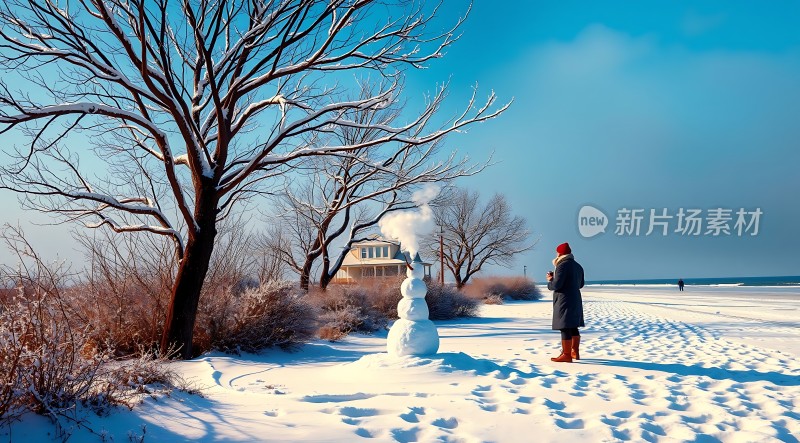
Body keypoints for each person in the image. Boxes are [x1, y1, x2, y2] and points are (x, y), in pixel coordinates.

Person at [546, 242, 585, 363]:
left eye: (557, 252)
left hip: (564, 299)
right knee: (573, 325)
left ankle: (566, 354)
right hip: (575, 298)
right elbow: (581, 284)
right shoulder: (578, 266)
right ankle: (575, 352)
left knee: (564, 326)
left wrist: (550, 280)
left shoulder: (562, 265)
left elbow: (557, 285)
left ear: (560, 253)